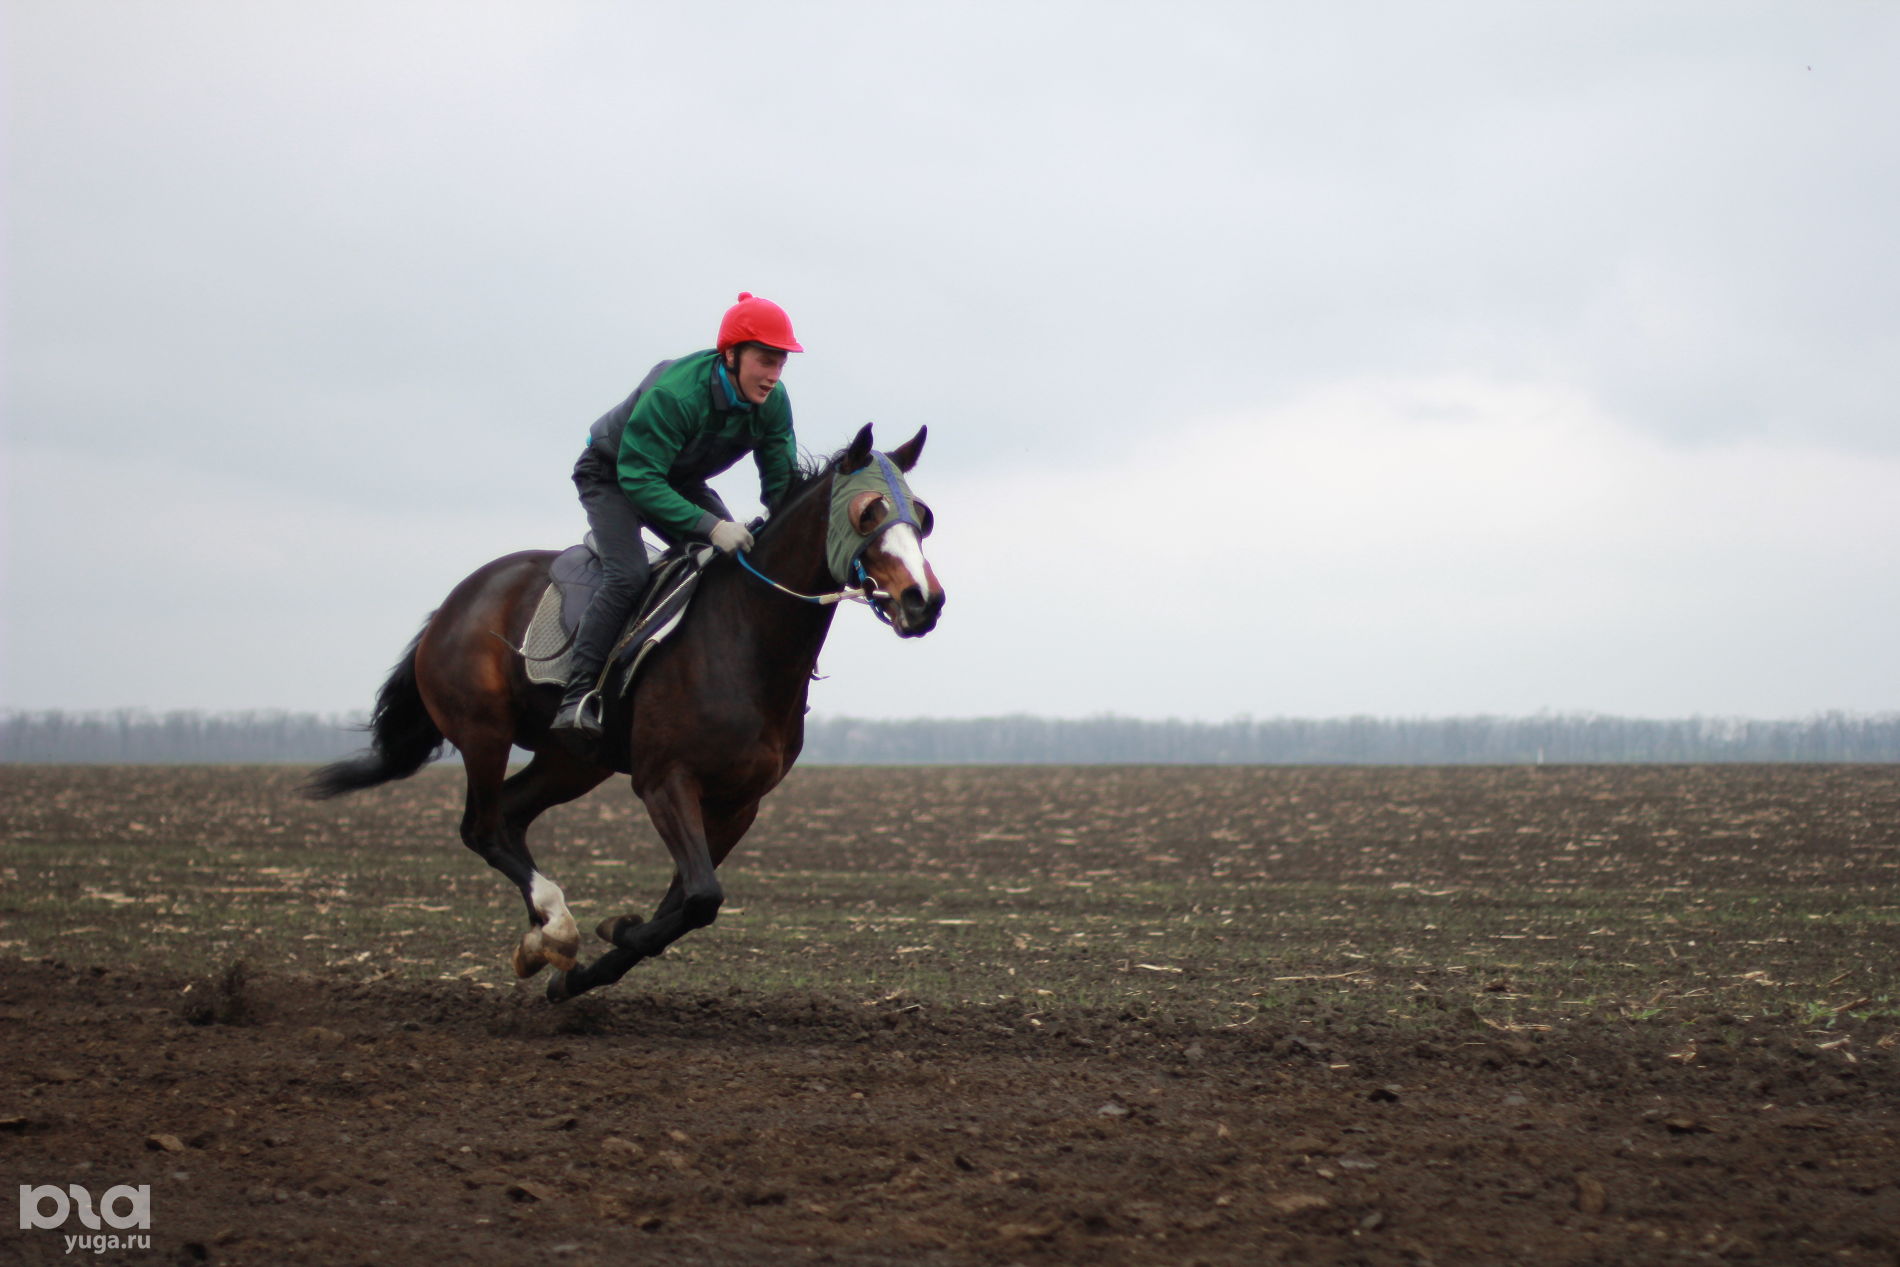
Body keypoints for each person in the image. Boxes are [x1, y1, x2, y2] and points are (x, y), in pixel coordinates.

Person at [550, 292, 803, 740]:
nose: (773, 376)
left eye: (781, 364)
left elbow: (781, 486)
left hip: (678, 480)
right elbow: (639, 480)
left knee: (739, 564)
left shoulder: (774, 402)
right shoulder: (676, 394)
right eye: (765, 361)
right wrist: (712, 526)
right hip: (613, 475)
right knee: (628, 575)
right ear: (731, 355)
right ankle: (577, 696)